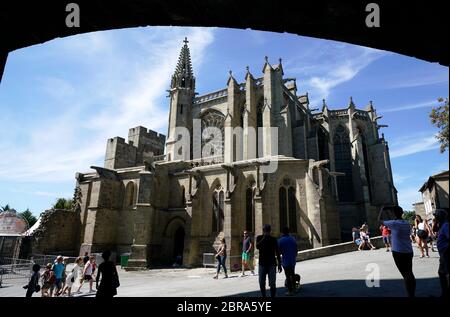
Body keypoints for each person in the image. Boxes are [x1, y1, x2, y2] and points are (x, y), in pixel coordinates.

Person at [379, 205, 416, 297]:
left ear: (394, 213)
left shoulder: (394, 223)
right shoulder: (406, 223)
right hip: (408, 250)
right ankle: (412, 293)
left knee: (406, 275)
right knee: (409, 273)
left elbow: (379, 220)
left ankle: (410, 295)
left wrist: (381, 210)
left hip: (399, 252)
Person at [256, 224, 282, 297]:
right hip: (262, 264)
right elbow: (257, 246)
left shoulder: (273, 239)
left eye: (267, 230)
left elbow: (277, 252)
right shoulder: (259, 238)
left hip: (272, 264)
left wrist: (279, 264)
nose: (266, 232)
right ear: (263, 231)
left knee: (272, 283)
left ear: (270, 231)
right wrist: (264, 238)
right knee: (261, 282)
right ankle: (263, 295)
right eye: (265, 231)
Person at [433, 209, 449, 298]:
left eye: (435, 216)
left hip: (446, 253)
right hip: (443, 253)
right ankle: (444, 293)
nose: (434, 218)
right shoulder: (442, 224)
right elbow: (434, 229)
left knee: (443, 273)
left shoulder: (446, 225)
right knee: (442, 273)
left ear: (439, 217)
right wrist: (435, 222)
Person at [278, 226, 298, 296]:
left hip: (285, 261)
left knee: (287, 276)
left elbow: (279, 252)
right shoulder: (293, 239)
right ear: (288, 232)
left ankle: (290, 291)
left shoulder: (280, 240)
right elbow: (296, 249)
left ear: (282, 232)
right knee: (292, 274)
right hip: (292, 260)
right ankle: (294, 289)